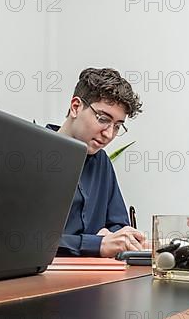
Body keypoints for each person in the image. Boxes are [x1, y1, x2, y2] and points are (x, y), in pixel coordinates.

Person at [46, 67, 147, 257]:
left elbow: (118, 225)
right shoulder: (33, 153)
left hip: (96, 276)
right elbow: (24, 237)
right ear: (76, 107)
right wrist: (96, 243)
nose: (109, 134)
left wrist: (114, 235)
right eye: (103, 119)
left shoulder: (102, 163)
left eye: (117, 126)